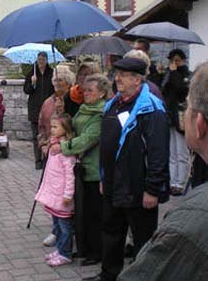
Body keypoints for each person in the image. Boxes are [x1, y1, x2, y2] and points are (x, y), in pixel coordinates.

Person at [117, 62, 208, 281]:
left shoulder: (190, 222)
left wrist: (152, 189)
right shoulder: (115, 103)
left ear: (199, 123)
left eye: (186, 106)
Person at [83, 57, 170, 281]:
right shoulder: (113, 104)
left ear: (137, 79)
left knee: (143, 239)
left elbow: (158, 152)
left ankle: (142, 276)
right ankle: (109, 274)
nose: (117, 78)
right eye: (117, 74)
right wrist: (104, 177)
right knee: (111, 232)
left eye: (123, 75)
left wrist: (153, 189)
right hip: (113, 184)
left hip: (139, 188)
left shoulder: (151, 108)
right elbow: (107, 145)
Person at [51, 74, 111, 266]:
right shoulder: (84, 109)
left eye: (90, 90)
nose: (85, 93)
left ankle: (96, 252)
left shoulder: (101, 113)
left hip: (94, 169)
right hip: (80, 168)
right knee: (82, 213)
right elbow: (74, 129)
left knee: (95, 214)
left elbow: (88, 139)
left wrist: (64, 147)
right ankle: (84, 248)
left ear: (101, 93)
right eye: (84, 90)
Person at [36, 113, 76, 267]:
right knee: (57, 225)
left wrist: (67, 194)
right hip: (54, 194)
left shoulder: (65, 151)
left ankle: (65, 254)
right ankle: (60, 249)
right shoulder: (54, 145)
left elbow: (70, 175)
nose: (51, 130)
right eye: (51, 127)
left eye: (55, 127)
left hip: (62, 196)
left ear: (65, 129)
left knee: (65, 227)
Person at [161, 48, 191, 196]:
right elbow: (164, 91)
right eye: (172, 60)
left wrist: (173, 73)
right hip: (169, 117)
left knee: (182, 152)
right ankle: (172, 182)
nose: (174, 63)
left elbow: (181, 90)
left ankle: (180, 182)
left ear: (183, 60)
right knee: (172, 152)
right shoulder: (168, 74)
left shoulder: (186, 74)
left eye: (177, 60)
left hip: (180, 118)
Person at [24, 52, 54, 170]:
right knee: (36, 136)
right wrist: (32, 83)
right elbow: (26, 90)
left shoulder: (51, 74)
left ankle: (48, 158)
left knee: (48, 134)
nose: (41, 61)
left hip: (48, 110)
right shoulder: (32, 74)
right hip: (35, 110)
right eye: (39, 59)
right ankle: (38, 160)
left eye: (43, 59)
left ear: (47, 60)